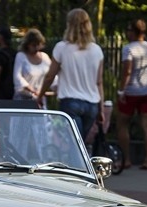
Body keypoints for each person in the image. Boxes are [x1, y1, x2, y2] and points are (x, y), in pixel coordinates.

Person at [37, 8, 105, 140]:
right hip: (92, 104)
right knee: (81, 143)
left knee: (73, 144)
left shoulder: (62, 48)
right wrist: (101, 108)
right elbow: (99, 82)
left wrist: (40, 95)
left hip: (70, 102)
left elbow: (50, 76)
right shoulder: (97, 50)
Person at [116, 19, 147, 170]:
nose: (127, 33)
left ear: (133, 31)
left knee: (122, 124)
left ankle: (126, 160)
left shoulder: (128, 49)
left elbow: (127, 71)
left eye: (128, 30)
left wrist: (121, 90)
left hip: (131, 92)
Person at [10, 28, 53, 160]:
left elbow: (51, 76)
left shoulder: (45, 57)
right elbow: (17, 78)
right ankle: (17, 159)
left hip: (39, 100)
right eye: (33, 44)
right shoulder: (21, 56)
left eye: (38, 44)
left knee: (43, 133)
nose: (36, 47)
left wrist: (53, 88)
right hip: (23, 99)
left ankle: (45, 160)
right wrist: (31, 89)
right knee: (19, 134)